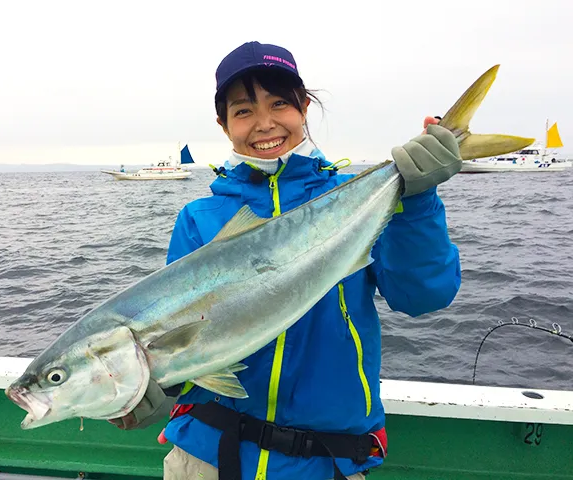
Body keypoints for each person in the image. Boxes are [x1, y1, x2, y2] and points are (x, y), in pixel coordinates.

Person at [110, 41, 462, 480]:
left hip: (325, 463)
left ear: (305, 108)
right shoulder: (200, 219)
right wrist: (158, 387)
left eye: (279, 104)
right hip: (205, 458)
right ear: (223, 125)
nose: (264, 123)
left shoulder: (354, 198)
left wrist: (419, 199)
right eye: (243, 111)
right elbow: (184, 334)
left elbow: (422, 296)